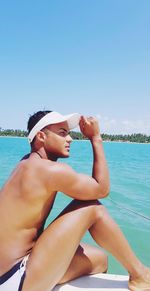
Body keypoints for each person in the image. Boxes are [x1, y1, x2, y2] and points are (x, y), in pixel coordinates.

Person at [0, 110, 150, 291]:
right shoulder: (48, 170)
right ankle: (140, 275)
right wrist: (95, 138)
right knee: (93, 208)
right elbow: (101, 189)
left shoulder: (26, 164)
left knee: (99, 259)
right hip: (16, 278)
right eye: (62, 133)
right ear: (41, 136)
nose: (70, 139)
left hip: (11, 272)